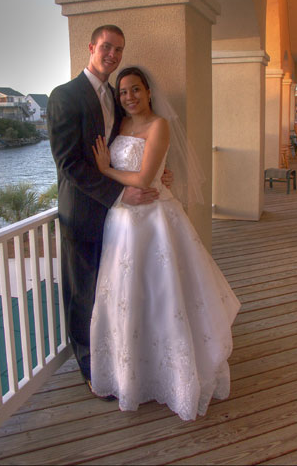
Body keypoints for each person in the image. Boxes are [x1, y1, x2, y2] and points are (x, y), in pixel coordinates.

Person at [90, 66, 241, 421]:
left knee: (165, 296)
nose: (129, 97)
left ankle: (175, 377)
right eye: (123, 91)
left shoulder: (159, 124)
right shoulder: (118, 126)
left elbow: (144, 177)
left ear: (148, 92)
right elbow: (147, 172)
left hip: (155, 222)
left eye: (136, 90)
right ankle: (132, 376)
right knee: (128, 297)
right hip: (123, 224)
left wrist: (105, 169)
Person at [47, 26, 171, 392]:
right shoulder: (64, 96)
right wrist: (119, 195)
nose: (112, 55)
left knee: (114, 291)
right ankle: (91, 372)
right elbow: (69, 163)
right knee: (83, 293)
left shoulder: (116, 100)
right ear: (91, 48)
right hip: (85, 214)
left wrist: (160, 171)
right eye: (106, 47)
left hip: (118, 219)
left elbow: (131, 147)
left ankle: (119, 358)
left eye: (118, 49)